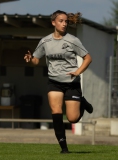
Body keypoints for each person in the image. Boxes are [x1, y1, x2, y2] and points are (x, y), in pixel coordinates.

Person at [24, 10, 93, 153]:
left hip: (71, 83)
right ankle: (64, 148)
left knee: (73, 119)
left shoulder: (73, 40)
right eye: (61, 21)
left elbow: (88, 58)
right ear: (53, 22)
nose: (64, 24)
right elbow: (36, 60)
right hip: (54, 82)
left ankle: (81, 101)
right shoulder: (45, 41)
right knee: (56, 111)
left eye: (66, 21)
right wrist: (30, 60)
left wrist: (78, 71)